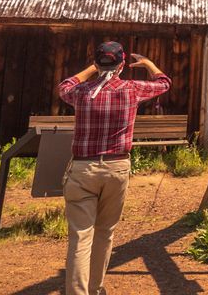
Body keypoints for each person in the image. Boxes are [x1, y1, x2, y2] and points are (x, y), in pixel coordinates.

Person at [58, 41, 171, 295]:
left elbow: (63, 86)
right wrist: (149, 64)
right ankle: (96, 288)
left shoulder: (80, 92)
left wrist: (92, 69)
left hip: (82, 169)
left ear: (98, 63)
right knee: (105, 233)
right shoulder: (132, 90)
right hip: (116, 168)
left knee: (80, 237)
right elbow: (164, 83)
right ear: (122, 64)